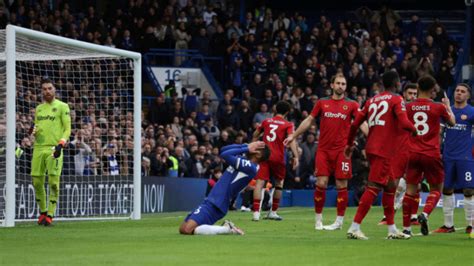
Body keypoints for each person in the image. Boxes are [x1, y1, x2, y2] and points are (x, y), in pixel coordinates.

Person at [285, 74, 364, 230]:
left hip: (342, 151)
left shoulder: (352, 104)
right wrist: (293, 135)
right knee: (321, 183)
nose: (341, 86)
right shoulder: (322, 102)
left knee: (342, 184)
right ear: (332, 85)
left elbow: (362, 123)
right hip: (323, 150)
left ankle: (339, 222)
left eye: (343, 83)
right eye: (338, 83)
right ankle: (318, 220)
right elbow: (309, 120)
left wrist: (373, 138)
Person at [344, 71, 417, 240]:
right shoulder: (397, 99)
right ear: (397, 83)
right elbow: (404, 122)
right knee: (374, 187)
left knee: (390, 187)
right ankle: (354, 227)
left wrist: (349, 144)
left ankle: (392, 230)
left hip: (373, 148)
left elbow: (355, 124)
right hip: (384, 150)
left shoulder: (371, 100)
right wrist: (415, 130)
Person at [179, 141, 270, 235]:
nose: (251, 145)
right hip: (213, 200)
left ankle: (227, 229)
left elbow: (224, 154)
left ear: (258, 154)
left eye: (255, 146)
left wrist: (246, 148)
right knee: (183, 229)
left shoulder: (251, 167)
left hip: (218, 203)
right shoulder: (244, 160)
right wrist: (245, 146)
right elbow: (223, 149)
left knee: (187, 229)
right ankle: (224, 228)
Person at [402, 76, 455, 236]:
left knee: (410, 190)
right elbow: (452, 122)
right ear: (433, 89)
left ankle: (406, 229)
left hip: (412, 152)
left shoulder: (408, 106)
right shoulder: (438, 107)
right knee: (437, 188)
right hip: (431, 153)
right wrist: (448, 107)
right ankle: (424, 214)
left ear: (417, 87)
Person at [30, 78, 71, 226]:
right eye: (44, 89)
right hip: (38, 148)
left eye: (49, 88)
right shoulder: (39, 109)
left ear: (54, 90)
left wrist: (61, 144)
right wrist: (33, 131)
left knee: (53, 182)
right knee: (36, 182)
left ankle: (50, 215)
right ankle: (42, 212)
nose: (47, 91)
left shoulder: (62, 106)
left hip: (54, 147)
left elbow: (67, 128)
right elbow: (37, 127)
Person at [434, 83, 474, 234]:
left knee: (469, 190)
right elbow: (439, 132)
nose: (459, 93)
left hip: (465, 158)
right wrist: (438, 151)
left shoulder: (471, 112)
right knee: (447, 189)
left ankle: (470, 225)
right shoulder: (446, 112)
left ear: (468, 96)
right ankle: (448, 225)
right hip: (448, 156)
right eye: (457, 90)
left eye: (463, 91)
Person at [379, 83, 420, 225]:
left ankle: (413, 217)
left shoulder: (419, 111)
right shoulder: (398, 108)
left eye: (415, 94)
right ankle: (388, 215)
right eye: (410, 93)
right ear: (404, 94)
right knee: (394, 183)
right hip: (397, 150)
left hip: (415, 150)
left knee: (416, 184)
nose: (413, 96)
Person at [251, 101, 299, 221]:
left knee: (259, 183)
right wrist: (296, 156)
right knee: (279, 185)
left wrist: (253, 147)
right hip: (278, 157)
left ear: (275, 110)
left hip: (264, 155)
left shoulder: (266, 121)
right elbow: (291, 139)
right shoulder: (288, 124)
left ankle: (256, 214)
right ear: (287, 112)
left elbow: (255, 134)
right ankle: (273, 212)